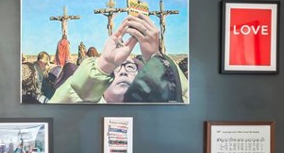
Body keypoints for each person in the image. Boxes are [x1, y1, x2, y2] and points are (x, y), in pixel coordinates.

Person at [49, 13, 187, 103]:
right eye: (115, 70)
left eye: (130, 68)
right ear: (102, 85)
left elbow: (184, 98)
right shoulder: (85, 110)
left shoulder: (156, 112)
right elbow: (66, 104)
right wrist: (104, 65)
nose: (123, 72)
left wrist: (155, 58)